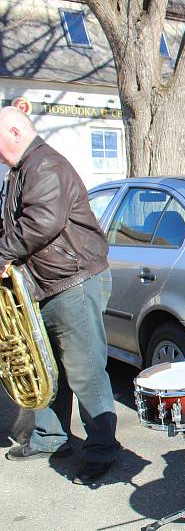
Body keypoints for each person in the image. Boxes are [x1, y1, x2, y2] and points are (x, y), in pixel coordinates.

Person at [0, 107, 120, 485]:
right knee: (46, 367)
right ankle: (50, 437)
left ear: (15, 132)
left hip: (73, 281)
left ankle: (102, 450)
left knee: (85, 371)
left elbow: (41, 222)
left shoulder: (44, 166)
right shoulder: (22, 170)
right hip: (50, 283)